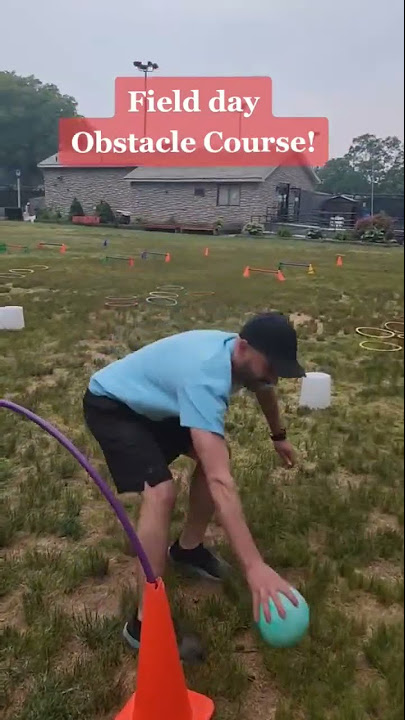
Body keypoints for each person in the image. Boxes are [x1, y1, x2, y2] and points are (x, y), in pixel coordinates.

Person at [83, 311, 305, 660]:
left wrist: (279, 435)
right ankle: (143, 623)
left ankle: (187, 549)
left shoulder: (244, 359)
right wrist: (254, 567)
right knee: (160, 490)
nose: (274, 377)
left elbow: (265, 389)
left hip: (155, 406)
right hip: (114, 406)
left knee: (216, 453)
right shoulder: (206, 375)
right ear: (244, 347)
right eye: (271, 367)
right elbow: (221, 481)